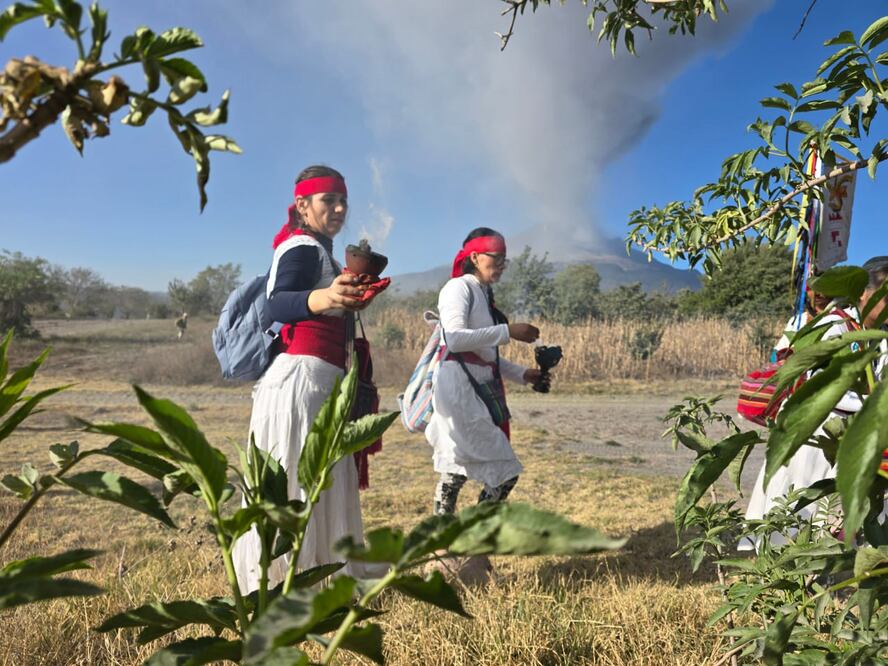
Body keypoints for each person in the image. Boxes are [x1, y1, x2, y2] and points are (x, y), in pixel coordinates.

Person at [233, 165, 376, 593]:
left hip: (324, 379)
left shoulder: (325, 253)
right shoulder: (299, 245)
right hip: (301, 380)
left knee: (317, 478)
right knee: (297, 477)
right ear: (302, 205)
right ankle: (282, 578)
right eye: (328, 200)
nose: (338, 208)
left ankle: (320, 570)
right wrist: (329, 295)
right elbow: (278, 303)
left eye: (342, 201)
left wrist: (345, 295)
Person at [743, 258, 888, 547]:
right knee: (802, 509)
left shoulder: (881, 336)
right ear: (861, 293)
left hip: (855, 434)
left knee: (842, 517)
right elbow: (820, 384)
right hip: (819, 434)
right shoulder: (833, 326)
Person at [425, 227, 543, 516]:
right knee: (501, 471)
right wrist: (509, 330)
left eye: (505, 259)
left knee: (458, 468)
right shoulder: (458, 288)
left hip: (473, 388)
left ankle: (451, 543)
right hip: (458, 390)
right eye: (496, 258)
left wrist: (522, 374)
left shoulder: (482, 293)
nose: (501, 265)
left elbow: (483, 356)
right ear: (475, 257)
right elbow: (454, 338)